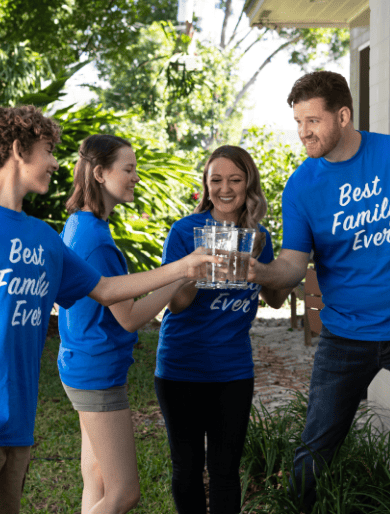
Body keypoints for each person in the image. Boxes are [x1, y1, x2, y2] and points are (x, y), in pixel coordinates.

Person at [0, 106, 218, 514]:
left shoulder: (43, 237)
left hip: (16, 428)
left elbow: (108, 289)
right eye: (47, 150)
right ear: (19, 150)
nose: (56, 162)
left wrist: (183, 267)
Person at [246, 71, 390, 510]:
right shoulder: (302, 185)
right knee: (316, 446)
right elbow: (293, 264)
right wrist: (258, 273)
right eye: (298, 122)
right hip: (345, 335)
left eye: (312, 120)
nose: (303, 132)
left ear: (343, 116)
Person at [58, 134, 193, 514]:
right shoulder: (96, 240)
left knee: (98, 480)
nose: (136, 177)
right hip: (96, 371)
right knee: (123, 493)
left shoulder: (79, 224)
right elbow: (129, 317)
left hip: (79, 364)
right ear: (100, 173)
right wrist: (179, 276)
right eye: (128, 169)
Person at [154, 145, 291, 514]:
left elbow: (276, 299)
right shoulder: (186, 231)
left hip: (232, 370)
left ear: (249, 184)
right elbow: (175, 304)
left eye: (235, 179)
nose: (225, 188)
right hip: (182, 366)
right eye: (216, 180)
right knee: (186, 469)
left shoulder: (258, 237)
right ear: (206, 185)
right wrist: (196, 271)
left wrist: (281, 261)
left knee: (226, 470)